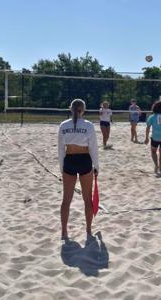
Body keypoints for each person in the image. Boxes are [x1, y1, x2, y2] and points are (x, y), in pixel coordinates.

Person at [58, 99, 99, 240]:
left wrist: (61, 166)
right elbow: (93, 148)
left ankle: (64, 232)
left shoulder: (63, 125)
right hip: (84, 160)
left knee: (66, 199)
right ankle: (88, 229)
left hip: (69, 160)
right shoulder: (88, 125)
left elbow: (60, 149)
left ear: (71, 109)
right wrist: (96, 166)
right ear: (84, 110)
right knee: (87, 199)